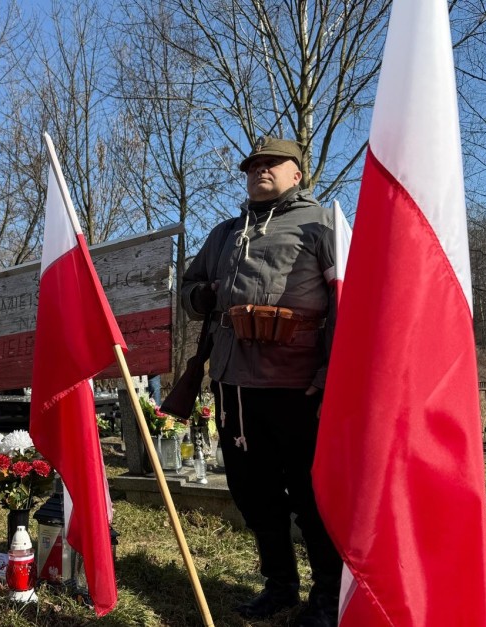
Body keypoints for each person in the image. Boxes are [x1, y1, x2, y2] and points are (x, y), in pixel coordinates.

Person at [181, 137, 342, 627]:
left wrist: (329, 372)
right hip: (234, 387)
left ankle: (328, 597)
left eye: (272, 164)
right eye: (253, 166)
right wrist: (204, 296)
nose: (259, 170)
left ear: (298, 172)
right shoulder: (226, 233)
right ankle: (279, 586)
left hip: (299, 387)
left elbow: (346, 305)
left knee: (312, 498)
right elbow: (186, 292)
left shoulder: (324, 225)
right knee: (254, 494)